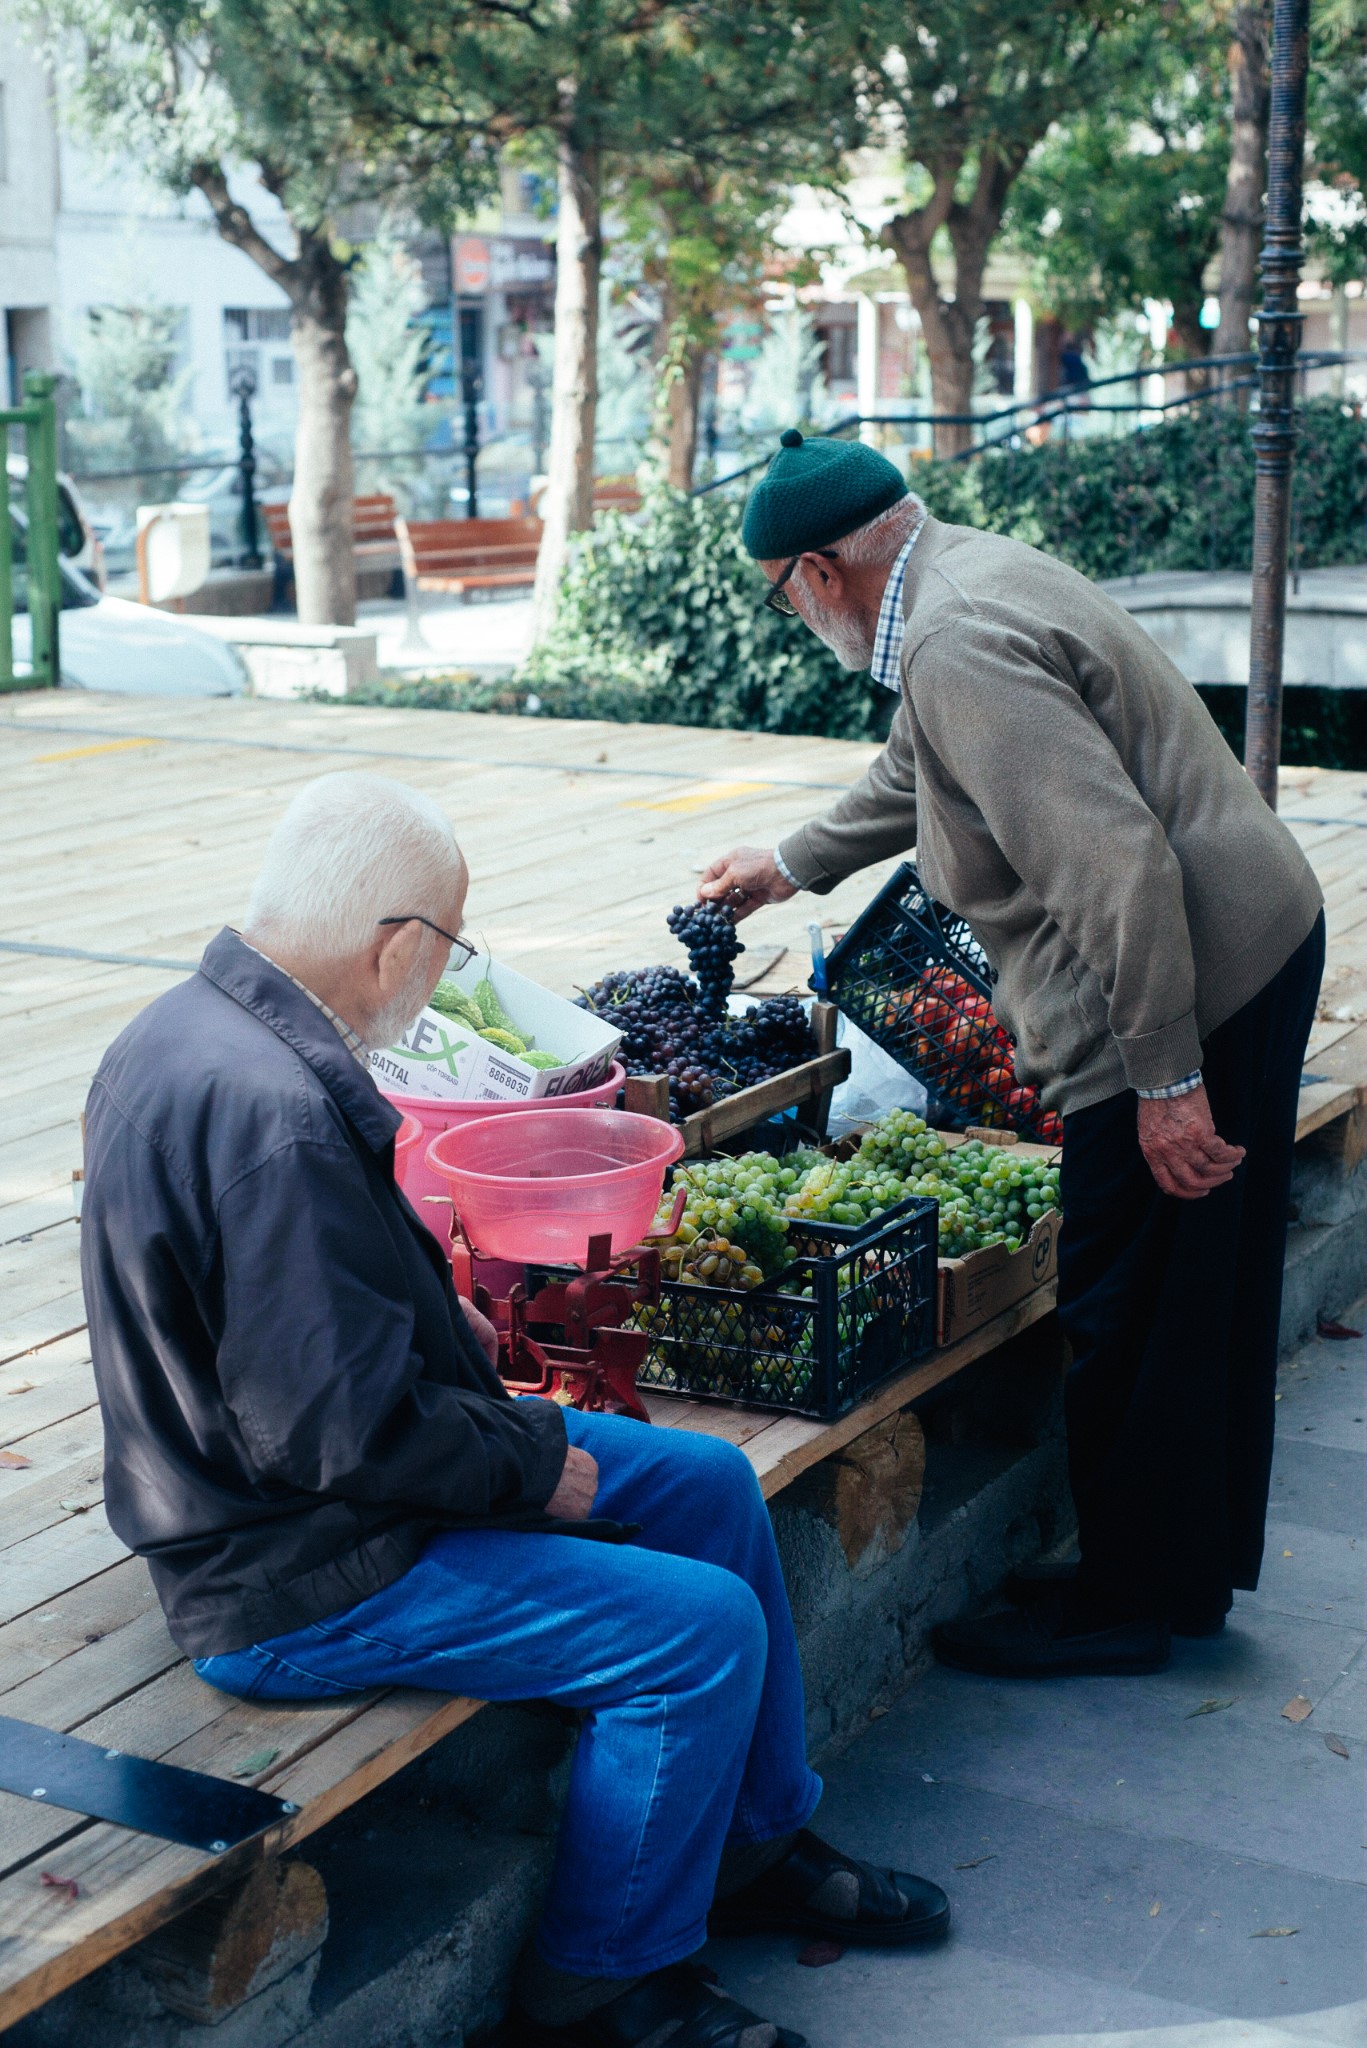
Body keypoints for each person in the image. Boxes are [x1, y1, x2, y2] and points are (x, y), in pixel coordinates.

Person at [81, 771, 949, 2048]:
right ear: (397, 943)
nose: (440, 977)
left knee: (707, 1486)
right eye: (450, 947)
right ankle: (602, 1984)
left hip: (317, 1493)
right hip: (291, 1569)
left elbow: (290, 1332)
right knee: (693, 1631)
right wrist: (531, 1466)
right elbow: (332, 1433)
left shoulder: (189, 1028)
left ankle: (749, 1846)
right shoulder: (270, 1113)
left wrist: (442, 1324)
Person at [700, 429, 1324, 1680]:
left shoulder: (952, 640)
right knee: (1182, 1292)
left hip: (1192, 974)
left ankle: (1121, 1607)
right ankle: (1162, 1579)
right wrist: (794, 862)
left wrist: (1162, 1078)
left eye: (783, 596)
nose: (791, 618)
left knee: (1126, 1298)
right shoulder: (956, 582)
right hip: (1234, 939)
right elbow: (919, 771)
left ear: (820, 571)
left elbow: (1115, 865)